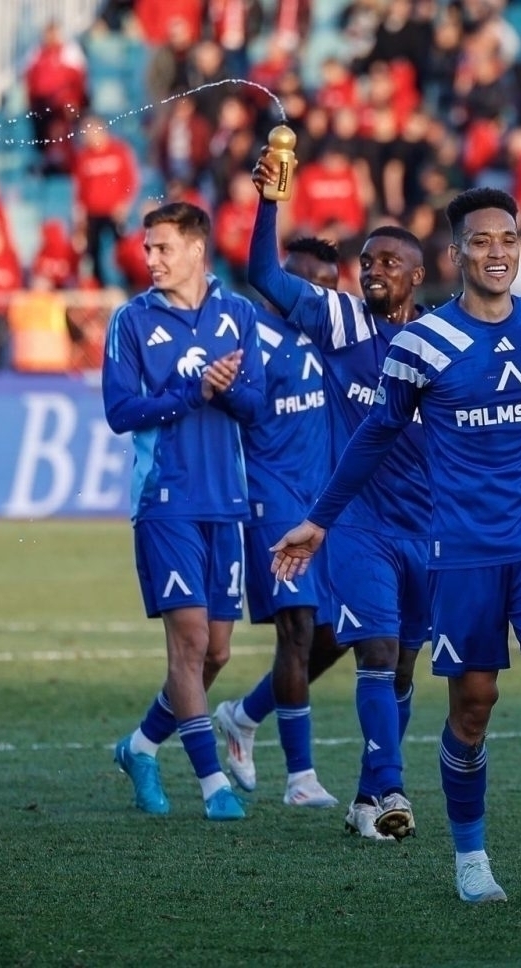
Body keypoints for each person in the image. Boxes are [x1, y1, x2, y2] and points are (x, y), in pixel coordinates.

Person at [272, 187, 521, 905]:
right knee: (473, 707)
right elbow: (376, 433)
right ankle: (471, 859)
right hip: (464, 553)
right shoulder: (421, 345)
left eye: (509, 239)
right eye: (482, 240)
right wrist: (320, 519)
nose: (498, 252)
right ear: (456, 253)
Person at [245, 151, 432, 842]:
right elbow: (265, 275)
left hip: (428, 527)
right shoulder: (341, 321)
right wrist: (270, 200)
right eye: (368, 261)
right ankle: (391, 788)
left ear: (416, 275)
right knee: (376, 652)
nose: (373, 270)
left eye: (389, 262)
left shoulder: (443, 339)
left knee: (405, 665)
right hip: (357, 522)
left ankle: (364, 796)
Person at [102, 201, 264, 822]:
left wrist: (226, 388)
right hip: (165, 500)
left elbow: (255, 406)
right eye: (148, 248)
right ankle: (212, 784)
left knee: (216, 652)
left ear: (197, 249)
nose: (150, 258)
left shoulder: (238, 314)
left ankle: (141, 747)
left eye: (162, 247)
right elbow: (120, 411)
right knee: (191, 641)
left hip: (227, 500)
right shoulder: (131, 320)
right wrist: (192, 391)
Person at [211, 237, 345, 809]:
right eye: (310, 284)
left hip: (325, 503)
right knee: (296, 630)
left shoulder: (333, 334)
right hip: (272, 499)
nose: (320, 296)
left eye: (330, 287)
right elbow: (230, 403)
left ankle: (244, 715)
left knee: (339, 634)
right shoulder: (250, 335)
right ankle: (300, 778)